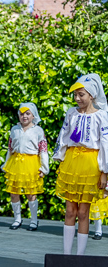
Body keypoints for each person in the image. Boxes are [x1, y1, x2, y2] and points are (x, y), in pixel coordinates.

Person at [53, 73, 108, 255]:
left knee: (83, 212)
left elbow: (105, 144)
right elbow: (63, 135)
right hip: (72, 162)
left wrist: (104, 172)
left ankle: (79, 257)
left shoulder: (101, 116)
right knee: (70, 210)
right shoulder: (71, 113)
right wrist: (60, 159)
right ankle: (66, 256)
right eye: (75, 95)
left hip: (90, 165)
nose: (77, 98)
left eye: (81, 94)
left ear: (91, 95)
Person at [2, 103, 49, 231]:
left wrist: (44, 168)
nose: (24, 116)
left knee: (31, 193)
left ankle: (34, 220)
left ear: (33, 115)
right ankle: (17, 219)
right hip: (16, 163)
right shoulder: (14, 129)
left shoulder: (38, 131)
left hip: (31, 164)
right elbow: (10, 148)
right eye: (22, 114)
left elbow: (43, 150)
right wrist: (6, 164)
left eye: (28, 114)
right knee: (14, 193)